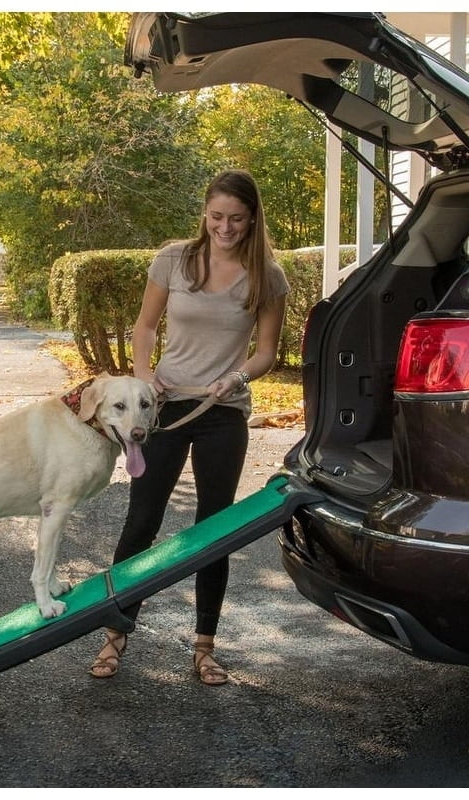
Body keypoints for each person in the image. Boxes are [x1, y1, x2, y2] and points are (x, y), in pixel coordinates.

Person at [89, 169, 289, 685]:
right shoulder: (174, 259)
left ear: (252, 219)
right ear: (205, 213)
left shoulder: (268, 276)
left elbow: (266, 351)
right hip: (166, 406)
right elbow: (145, 326)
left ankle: (204, 647)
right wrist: (142, 380)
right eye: (217, 216)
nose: (225, 227)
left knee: (212, 528)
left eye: (237, 219)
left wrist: (236, 377)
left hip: (224, 413)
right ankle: (116, 633)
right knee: (142, 520)